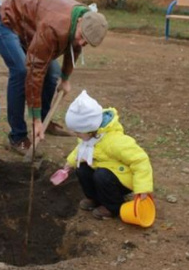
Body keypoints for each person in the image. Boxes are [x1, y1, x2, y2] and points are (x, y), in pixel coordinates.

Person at [0, 0, 108, 154]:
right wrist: (34, 117)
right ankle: (17, 136)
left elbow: (75, 47)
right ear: (79, 22)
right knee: (21, 71)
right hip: (6, 21)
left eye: (86, 42)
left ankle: (45, 121)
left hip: (30, 28)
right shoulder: (55, 27)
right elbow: (35, 70)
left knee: (53, 74)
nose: (81, 42)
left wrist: (65, 78)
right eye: (81, 37)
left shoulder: (85, 21)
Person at [61, 90, 154, 220]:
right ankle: (95, 198)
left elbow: (140, 160)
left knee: (102, 175)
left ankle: (113, 206)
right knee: (82, 169)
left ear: (90, 129)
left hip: (121, 179)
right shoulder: (87, 138)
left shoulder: (115, 141)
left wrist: (143, 188)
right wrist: (70, 162)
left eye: (78, 132)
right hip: (103, 172)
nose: (76, 134)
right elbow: (80, 149)